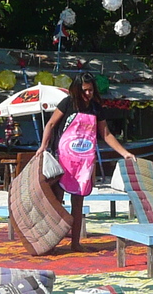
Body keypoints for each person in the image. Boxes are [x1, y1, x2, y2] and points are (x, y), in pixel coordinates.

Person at [35, 73, 134, 250]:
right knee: (57, 198)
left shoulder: (96, 108)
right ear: (77, 89)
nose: (88, 93)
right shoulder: (68, 103)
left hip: (84, 162)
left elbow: (106, 134)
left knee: (78, 203)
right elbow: (50, 124)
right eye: (84, 90)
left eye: (91, 90)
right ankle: (50, 242)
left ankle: (75, 243)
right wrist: (43, 146)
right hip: (63, 158)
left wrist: (124, 153)